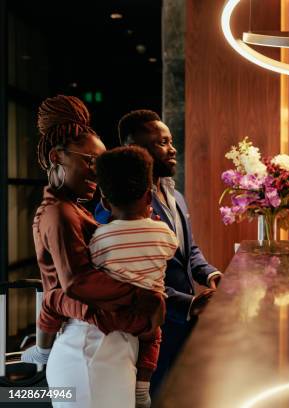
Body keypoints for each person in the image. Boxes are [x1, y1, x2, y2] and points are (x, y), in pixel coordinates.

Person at [27, 95, 166, 407]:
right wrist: (143, 297)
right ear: (56, 157)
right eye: (90, 162)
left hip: (99, 344)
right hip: (88, 348)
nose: (96, 175)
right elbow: (77, 283)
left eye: (100, 166)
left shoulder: (73, 209)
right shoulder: (59, 212)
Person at [95, 110, 221, 393]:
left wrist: (211, 274)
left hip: (184, 326)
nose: (172, 148)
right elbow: (127, 276)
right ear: (134, 149)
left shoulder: (175, 195)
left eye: (171, 140)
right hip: (148, 328)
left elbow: (190, 250)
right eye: (162, 142)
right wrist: (188, 303)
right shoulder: (115, 207)